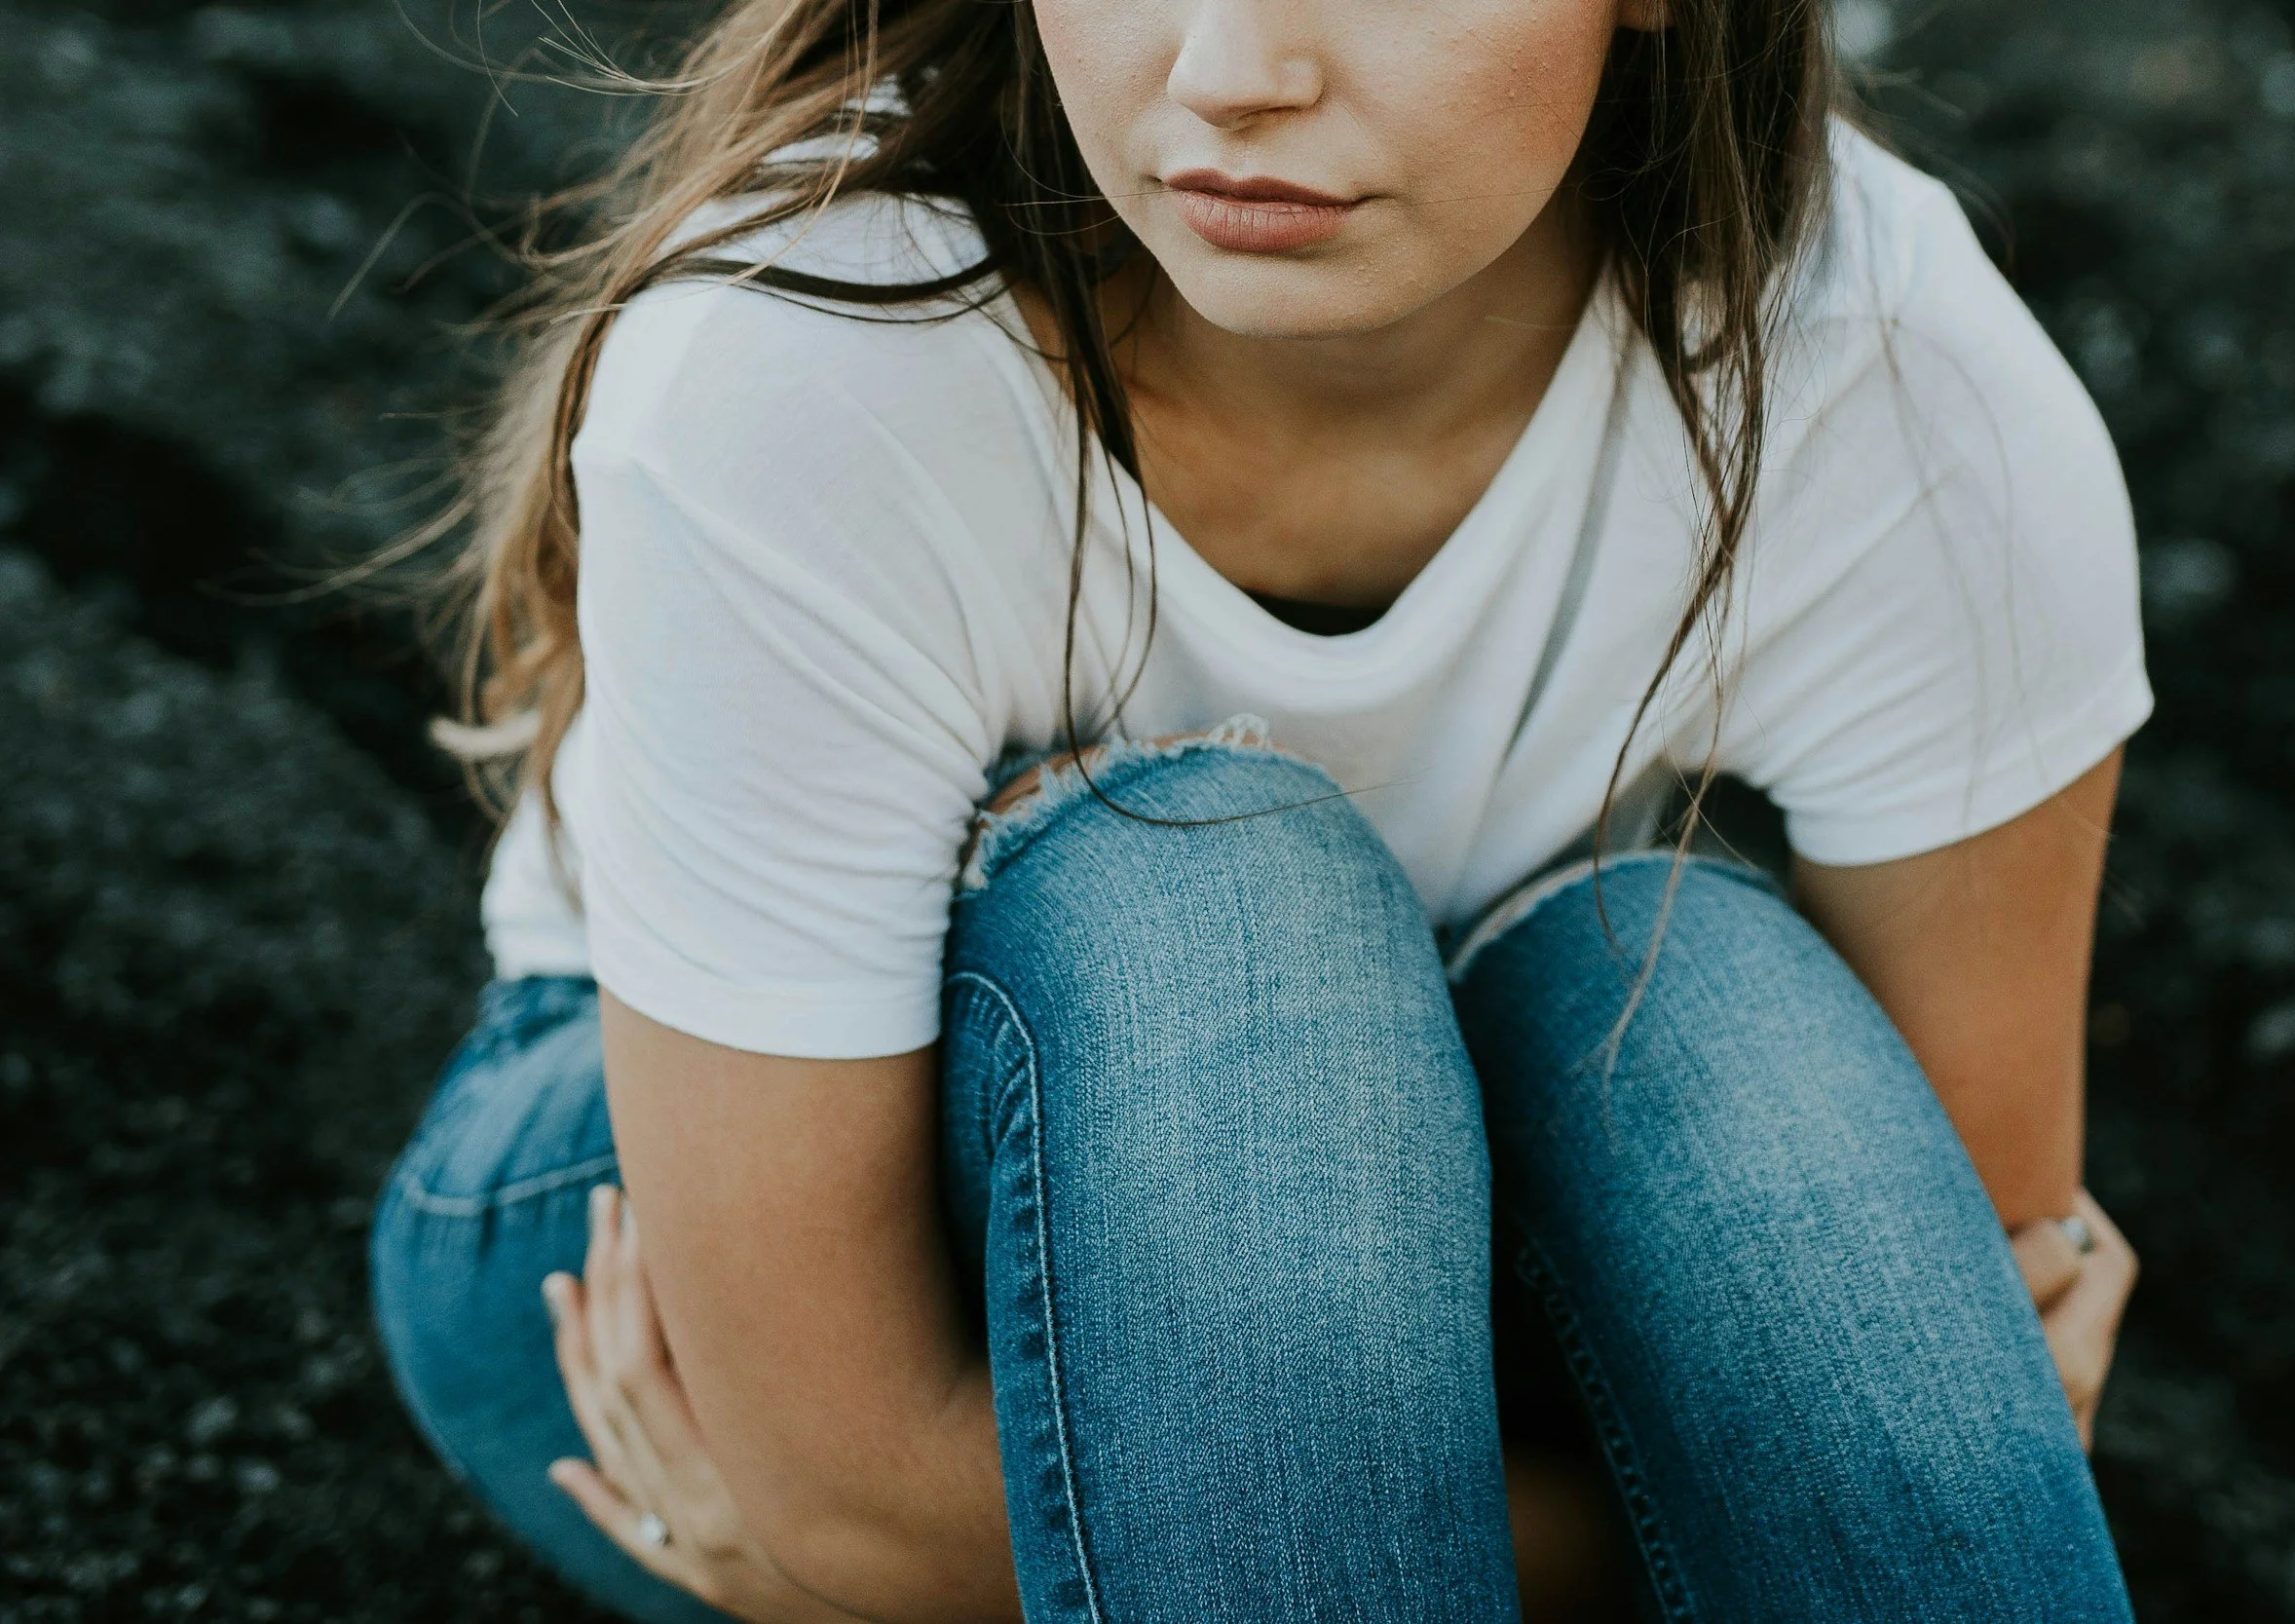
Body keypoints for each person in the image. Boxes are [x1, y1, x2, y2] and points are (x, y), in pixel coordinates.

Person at [369, 0, 2151, 1616]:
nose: (1230, 72)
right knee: (1222, 896)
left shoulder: (1898, 379)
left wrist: (1887, 1457)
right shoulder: (808, 358)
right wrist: (1721, 1526)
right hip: (693, 1263)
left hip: (1408, 1212)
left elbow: (1985, 1299)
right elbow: (849, 1490)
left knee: (1694, 988)